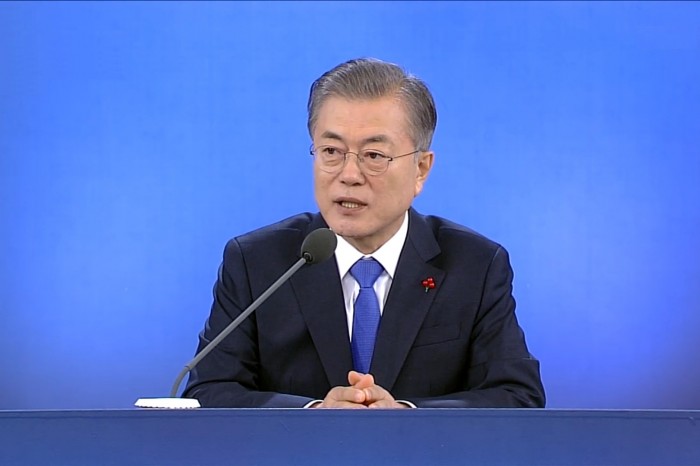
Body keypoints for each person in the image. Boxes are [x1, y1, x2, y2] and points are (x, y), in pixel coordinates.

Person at [183, 58, 545, 408]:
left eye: (373, 155)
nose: (349, 174)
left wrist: (407, 415)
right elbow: (208, 393)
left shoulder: (475, 266)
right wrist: (313, 413)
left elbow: (517, 396)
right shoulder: (257, 262)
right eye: (331, 151)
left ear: (421, 169)